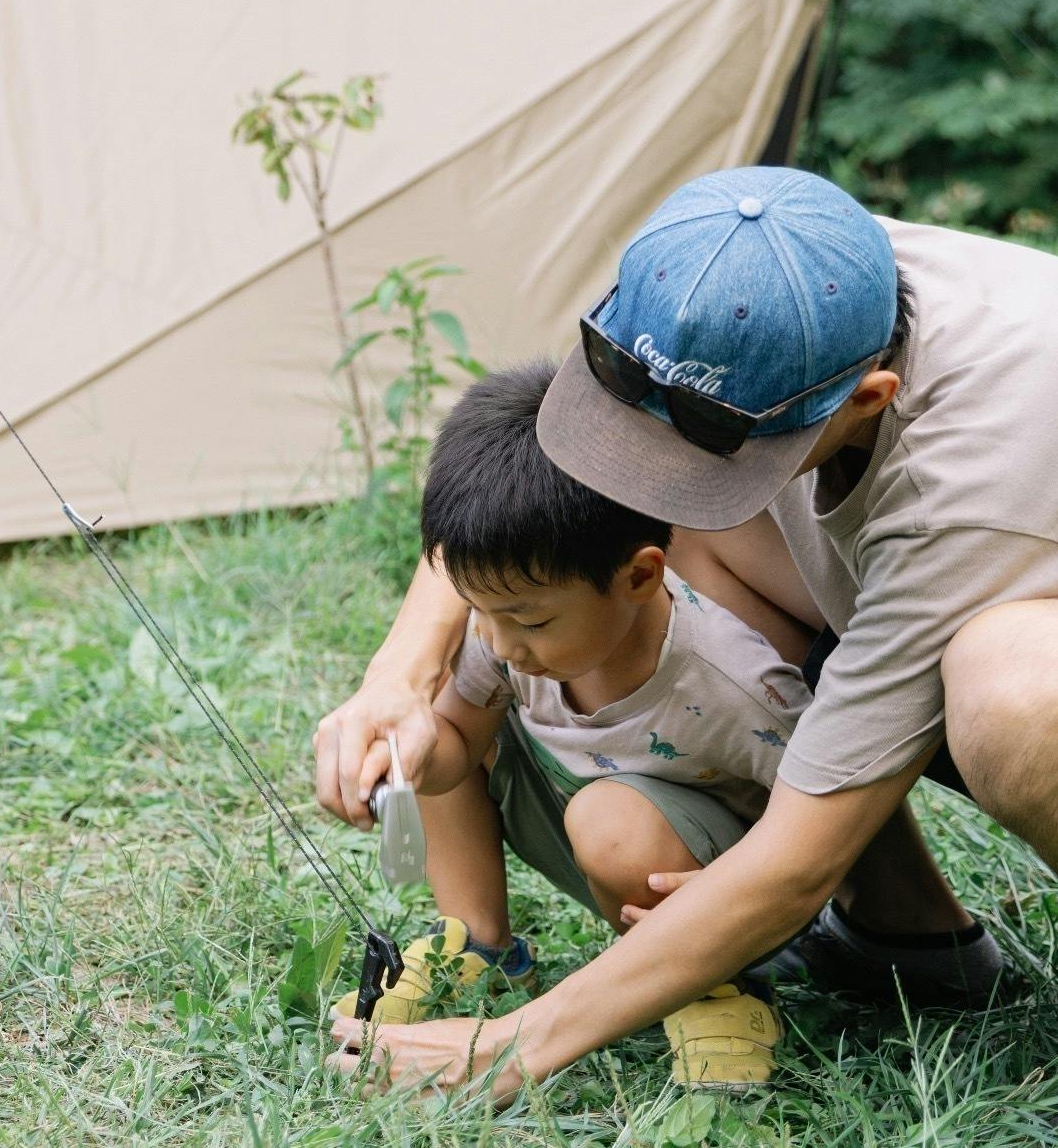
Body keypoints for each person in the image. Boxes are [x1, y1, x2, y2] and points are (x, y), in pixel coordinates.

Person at [316, 166, 1058, 1145]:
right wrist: (400, 672)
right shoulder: (743, 281)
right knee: (708, 538)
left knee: (1015, 682)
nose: (657, 477)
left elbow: (798, 855)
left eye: (709, 455)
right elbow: (553, 474)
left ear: (870, 396)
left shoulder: (991, 457)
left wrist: (515, 1045)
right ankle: (911, 942)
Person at [343, 360, 852, 1089]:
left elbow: (816, 830)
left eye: (529, 618)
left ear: (641, 576)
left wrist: (732, 908)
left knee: (610, 823)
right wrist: (416, 756)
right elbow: (457, 750)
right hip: (575, 806)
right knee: (433, 724)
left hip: (700, 875)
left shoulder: (737, 685)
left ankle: (716, 986)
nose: (498, 638)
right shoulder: (501, 635)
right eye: (476, 608)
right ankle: (479, 942)